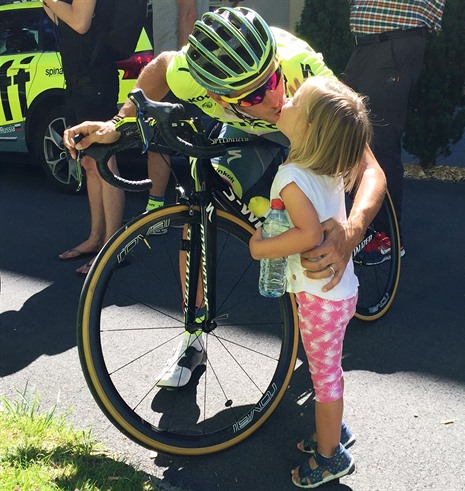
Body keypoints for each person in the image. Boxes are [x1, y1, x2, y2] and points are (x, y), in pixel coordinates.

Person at [63, 7, 387, 388]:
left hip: (301, 129)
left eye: (272, 81)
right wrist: (117, 125)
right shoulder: (191, 77)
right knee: (198, 200)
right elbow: (162, 67)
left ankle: (323, 297)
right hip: (236, 129)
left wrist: (351, 230)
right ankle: (193, 339)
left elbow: (370, 169)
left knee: (313, 200)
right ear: (216, 94)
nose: (274, 98)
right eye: (254, 95)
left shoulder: (301, 70)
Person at [249, 76, 368, 487]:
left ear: (311, 129)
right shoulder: (329, 171)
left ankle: (331, 456)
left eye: (297, 100)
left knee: (324, 377)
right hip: (340, 291)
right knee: (328, 370)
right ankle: (329, 431)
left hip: (319, 298)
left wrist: (259, 246)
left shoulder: (291, 177)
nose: (287, 99)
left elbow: (308, 236)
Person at [343, 0, 445, 262]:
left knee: (380, 143)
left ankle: (388, 238)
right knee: (354, 135)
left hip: (392, 45)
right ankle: (365, 228)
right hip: (374, 46)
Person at [44, 0, 124, 275]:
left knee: (105, 161)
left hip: (95, 80)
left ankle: (113, 249)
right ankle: (95, 239)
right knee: (90, 163)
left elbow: (80, 23)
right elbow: (61, 22)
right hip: (78, 78)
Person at [145, 0, 210, 216]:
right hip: (174, 69)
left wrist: (185, 66)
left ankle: (162, 213)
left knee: (163, 142)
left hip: (180, 70)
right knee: (165, 142)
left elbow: (188, 13)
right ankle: (176, 211)